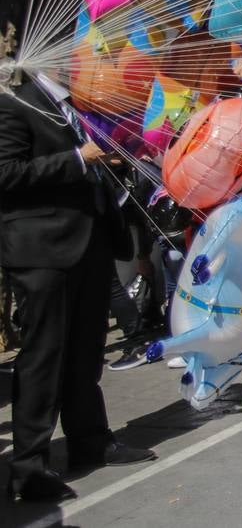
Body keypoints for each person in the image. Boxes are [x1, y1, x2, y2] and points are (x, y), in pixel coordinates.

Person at [0, 69, 156, 503]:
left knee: (86, 351)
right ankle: (29, 466)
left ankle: (91, 439)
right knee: (44, 356)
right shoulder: (15, 105)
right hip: (43, 249)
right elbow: (6, 174)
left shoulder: (76, 107)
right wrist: (78, 159)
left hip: (87, 242)